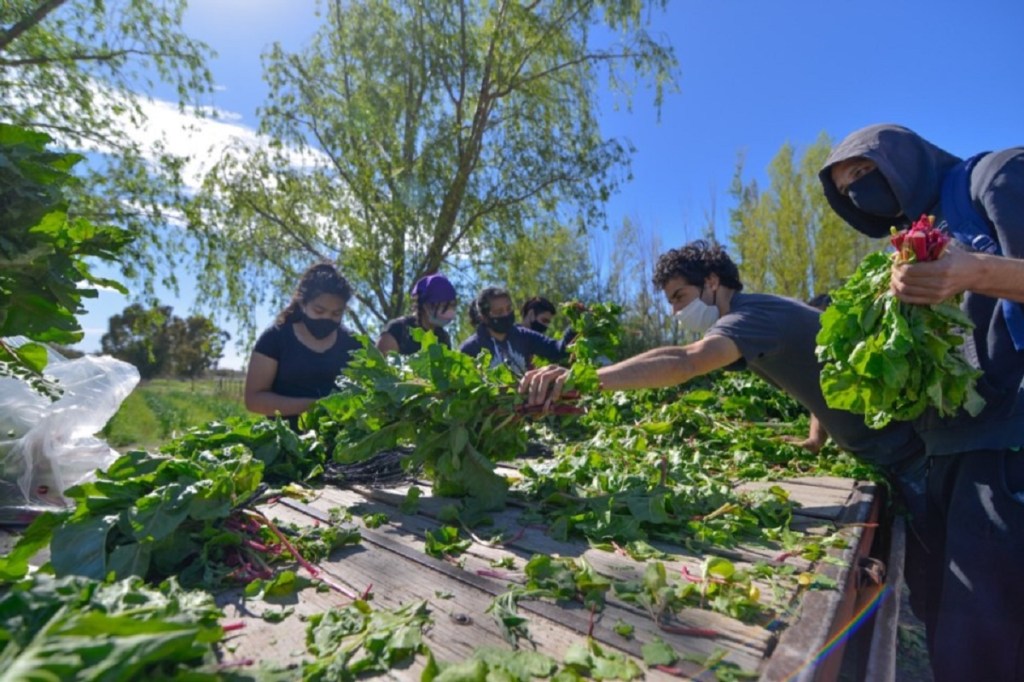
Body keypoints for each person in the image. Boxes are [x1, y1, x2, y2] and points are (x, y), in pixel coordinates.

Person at [819, 123, 1024, 681]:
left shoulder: (995, 177)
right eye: (848, 185)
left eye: (865, 172)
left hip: (1007, 446)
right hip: (944, 454)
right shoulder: (910, 236)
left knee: (989, 635)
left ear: (903, 159)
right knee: (947, 627)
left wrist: (976, 271)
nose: (860, 189)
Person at [519, 239, 924, 496]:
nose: (677, 311)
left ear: (712, 281)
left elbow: (687, 359)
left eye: (680, 296)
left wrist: (585, 380)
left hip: (906, 453)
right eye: (671, 302)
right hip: (884, 449)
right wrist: (815, 442)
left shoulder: (748, 318)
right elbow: (819, 373)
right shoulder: (757, 317)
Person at [244, 262, 361, 428]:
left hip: (342, 443)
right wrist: (316, 406)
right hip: (285, 442)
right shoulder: (275, 339)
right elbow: (254, 400)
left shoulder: (354, 344)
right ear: (303, 304)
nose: (327, 318)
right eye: (319, 311)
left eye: (336, 313)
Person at [460, 287, 567, 377]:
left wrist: (575, 327)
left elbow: (557, 350)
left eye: (508, 309)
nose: (506, 315)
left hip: (524, 400)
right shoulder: (470, 348)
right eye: (498, 312)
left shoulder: (523, 335)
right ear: (484, 317)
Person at [376, 273, 457, 355]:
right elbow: (379, 364)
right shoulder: (398, 330)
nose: (449, 311)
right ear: (426, 305)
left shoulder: (443, 338)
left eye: (452, 306)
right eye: (444, 305)